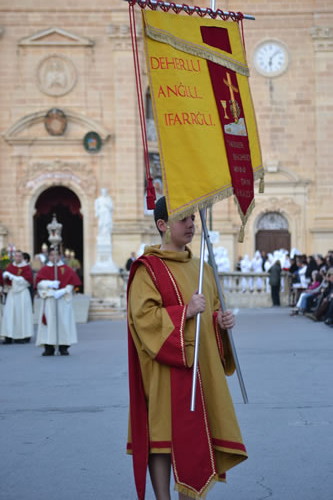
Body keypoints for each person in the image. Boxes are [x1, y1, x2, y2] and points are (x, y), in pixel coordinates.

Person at [126, 197, 247, 500]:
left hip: (200, 369)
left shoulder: (203, 268)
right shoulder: (148, 269)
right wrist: (185, 312)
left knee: (194, 436)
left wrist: (221, 321)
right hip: (164, 367)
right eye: (183, 219)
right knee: (162, 439)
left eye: (192, 218)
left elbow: (212, 312)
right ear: (162, 225)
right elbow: (143, 319)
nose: (191, 224)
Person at [35, 248, 81, 356]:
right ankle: (49, 346)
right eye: (51, 255)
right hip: (49, 299)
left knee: (63, 322)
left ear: (60, 256)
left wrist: (63, 291)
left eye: (56, 255)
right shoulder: (44, 269)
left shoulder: (67, 269)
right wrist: (49, 284)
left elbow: (71, 283)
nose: (54, 257)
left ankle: (63, 346)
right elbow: (39, 283)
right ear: (49, 256)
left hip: (62, 299)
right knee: (48, 323)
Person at [1, 250, 34, 344]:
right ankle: (8, 335)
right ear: (14, 257)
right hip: (12, 293)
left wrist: (13, 277)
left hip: (22, 293)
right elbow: (6, 280)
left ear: (22, 258)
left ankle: (22, 336)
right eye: (16, 256)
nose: (18, 258)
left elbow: (27, 280)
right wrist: (5, 278)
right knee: (9, 315)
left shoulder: (26, 267)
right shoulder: (10, 267)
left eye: (19, 256)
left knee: (22, 315)